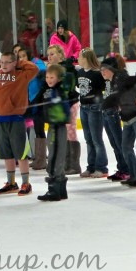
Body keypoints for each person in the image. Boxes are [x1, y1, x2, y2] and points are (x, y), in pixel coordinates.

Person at [0, 51, 40, 195]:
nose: (4, 65)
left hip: (16, 119)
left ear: (14, 63)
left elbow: (34, 69)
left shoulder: (21, 75)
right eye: (2, 62)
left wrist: (18, 63)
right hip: (0, 119)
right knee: (6, 153)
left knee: (20, 153)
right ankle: (11, 182)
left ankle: (26, 183)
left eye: (7, 62)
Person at [102, 58, 136, 188]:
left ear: (111, 69)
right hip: (127, 117)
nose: (102, 72)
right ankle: (134, 175)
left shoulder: (121, 77)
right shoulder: (112, 82)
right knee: (126, 146)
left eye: (104, 69)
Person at [35, 63, 78, 202]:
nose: (49, 79)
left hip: (58, 126)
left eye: (52, 77)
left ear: (59, 79)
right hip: (52, 125)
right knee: (54, 153)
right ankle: (61, 190)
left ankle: (54, 189)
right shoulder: (47, 89)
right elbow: (38, 100)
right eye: (47, 77)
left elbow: (74, 95)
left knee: (54, 156)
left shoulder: (62, 90)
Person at [46, 45, 82, 174]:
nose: (49, 57)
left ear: (61, 55)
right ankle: (66, 163)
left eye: (52, 54)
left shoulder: (66, 69)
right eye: (48, 54)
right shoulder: (50, 70)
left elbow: (70, 85)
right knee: (64, 133)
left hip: (70, 103)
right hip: (59, 106)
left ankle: (74, 164)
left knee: (70, 131)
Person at [76, 48, 108, 178]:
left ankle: (102, 167)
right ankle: (91, 166)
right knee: (88, 139)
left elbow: (105, 89)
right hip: (83, 107)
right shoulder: (81, 72)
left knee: (96, 139)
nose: (77, 59)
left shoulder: (97, 74)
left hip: (95, 108)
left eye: (79, 57)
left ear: (86, 59)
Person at [99, 56, 131, 182]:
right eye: (101, 70)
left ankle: (127, 169)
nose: (102, 73)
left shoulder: (118, 79)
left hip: (113, 113)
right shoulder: (108, 81)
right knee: (114, 143)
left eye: (104, 70)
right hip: (106, 113)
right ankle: (122, 168)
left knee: (119, 142)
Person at [16, 45, 47, 170]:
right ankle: (38, 158)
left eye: (23, 56)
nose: (22, 58)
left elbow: (42, 78)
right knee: (37, 129)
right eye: (20, 57)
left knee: (39, 129)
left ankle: (42, 158)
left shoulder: (37, 64)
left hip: (39, 101)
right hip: (31, 100)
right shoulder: (24, 67)